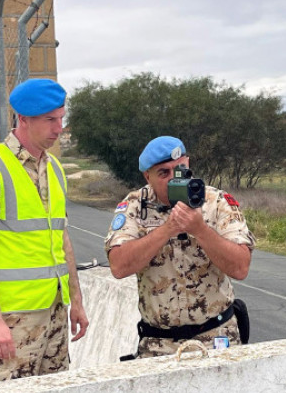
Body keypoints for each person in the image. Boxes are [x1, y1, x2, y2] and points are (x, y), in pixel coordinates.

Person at [0, 78, 89, 383]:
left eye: (61, 118)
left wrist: (76, 302)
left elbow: (61, 238)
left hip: (54, 312)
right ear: (24, 119)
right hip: (13, 319)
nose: (59, 128)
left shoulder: (53, 168)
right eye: (50, 120)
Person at [105, 136, 254, 358]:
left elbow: (241, 267)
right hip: (160, 344)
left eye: (180, 170)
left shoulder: (216, 201)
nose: (173, 178)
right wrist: (167, 229)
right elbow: (119, 266)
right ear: (147, 176)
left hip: (217, 337)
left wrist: (200, 230)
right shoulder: (135, 206)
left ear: (188, 164)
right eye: (163, 173)